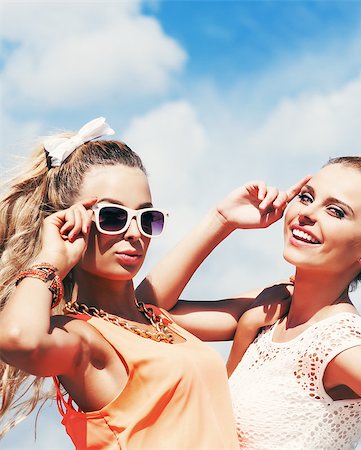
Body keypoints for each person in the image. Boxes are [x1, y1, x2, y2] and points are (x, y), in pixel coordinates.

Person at [0, 117, 298, 449]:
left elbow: (282, 305)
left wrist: (222, 220)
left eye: (147, 218)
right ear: (69, 221)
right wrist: (51, 258)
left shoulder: (160, 322)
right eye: (112, 216)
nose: (135, 233)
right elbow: (17, 339)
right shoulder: (83, 337)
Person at [151, 151, 361, 449]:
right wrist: (222, 219)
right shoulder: (269, 307)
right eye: (307, 198)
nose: (307, 213)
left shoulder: (340, 346)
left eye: (336, 211)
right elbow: (143, 313)